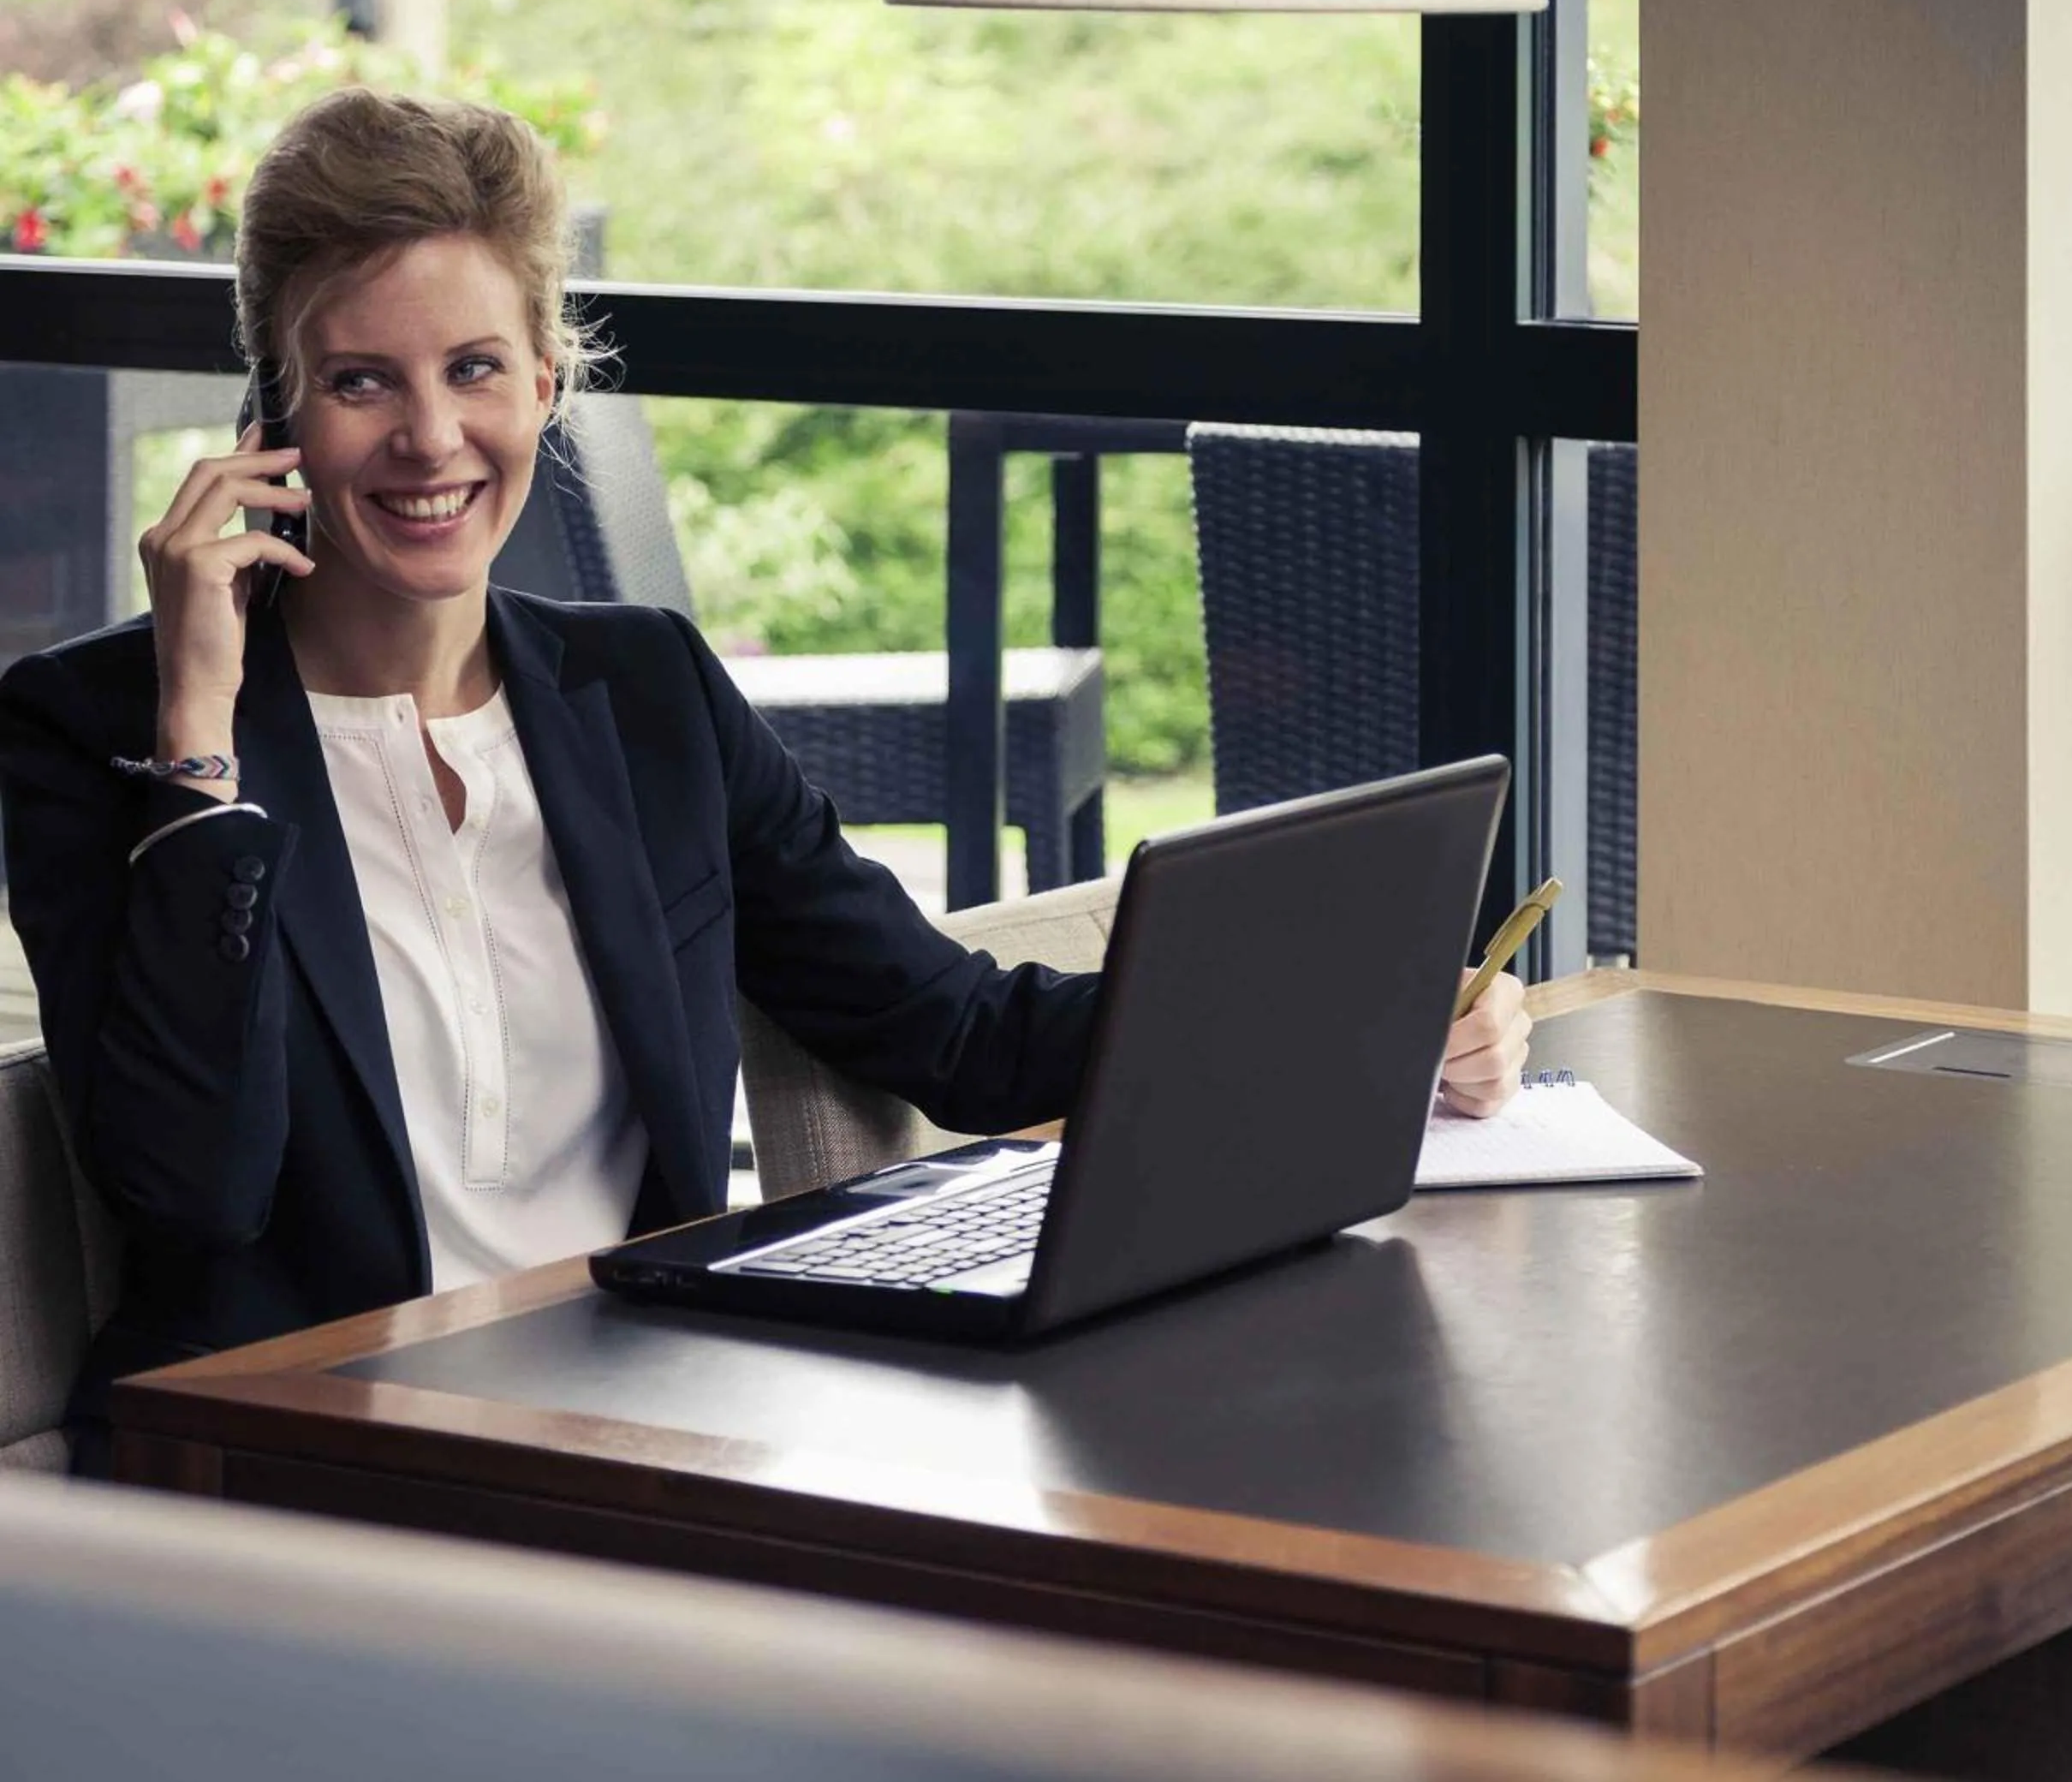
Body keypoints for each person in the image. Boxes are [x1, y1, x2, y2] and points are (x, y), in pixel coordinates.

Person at [0, 88, 1531, 1475]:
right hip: (282, 1469)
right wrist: (200, 722)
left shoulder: (645, 691)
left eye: (475, 368)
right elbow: (193, 1186)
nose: (429, 438)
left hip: (636, 1433)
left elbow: (959, 1028)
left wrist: (1376, 1023)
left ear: (547, 380)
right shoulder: (88, 730)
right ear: (270, 418)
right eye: (358, 382)